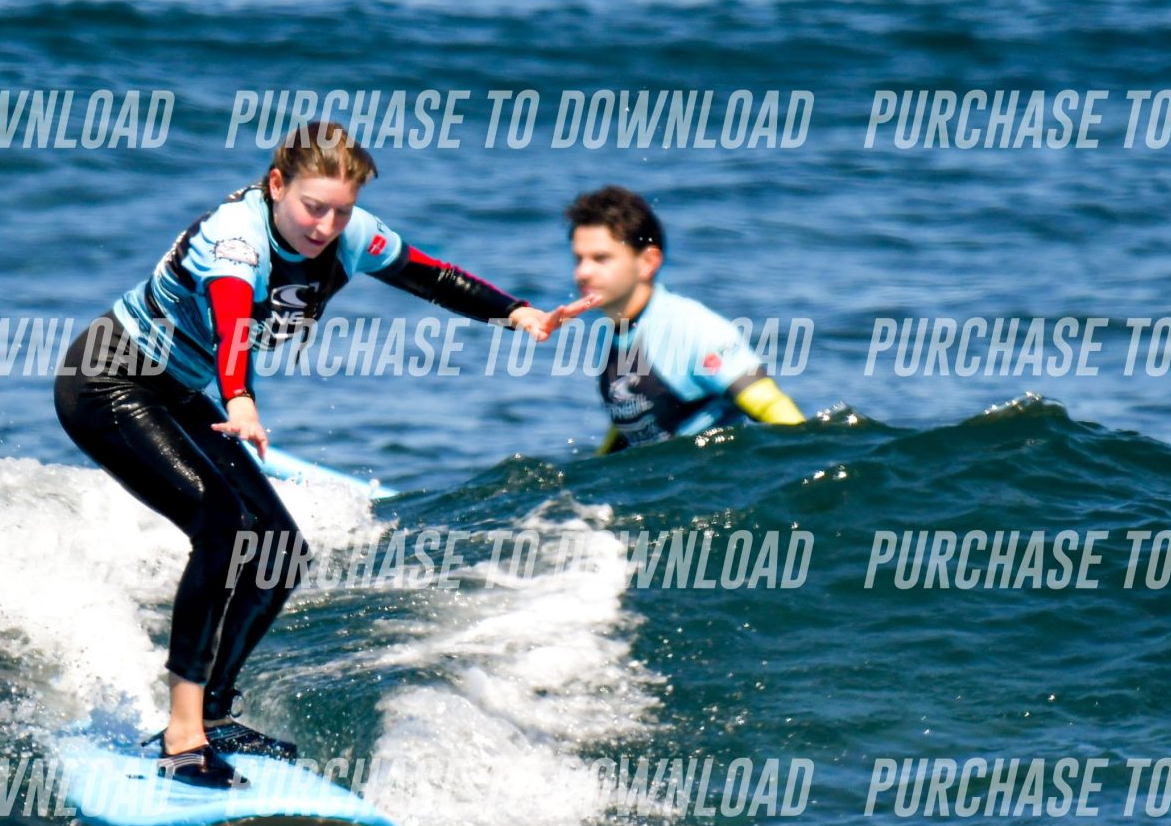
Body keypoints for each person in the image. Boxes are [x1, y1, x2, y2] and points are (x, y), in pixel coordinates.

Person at [56, 125, 586, 787]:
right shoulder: (236, 239)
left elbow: (430, 275)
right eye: (313, 208)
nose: (326, 226)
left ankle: (214, 713)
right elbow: (232, 321)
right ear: (277, 185)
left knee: (280, 548)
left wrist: (518, 314)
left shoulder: (348, 233)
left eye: (340, 211)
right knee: (220, 525)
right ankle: (183, 734)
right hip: (108, 381)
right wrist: (239, 397)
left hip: (180, 390)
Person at [566, 186, 803, 453]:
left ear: (648, 262)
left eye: (600, 258)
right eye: (578, 259)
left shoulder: (691, 328)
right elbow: (637, 422)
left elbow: (772, 407)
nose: (582, 272)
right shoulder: (613, 333)